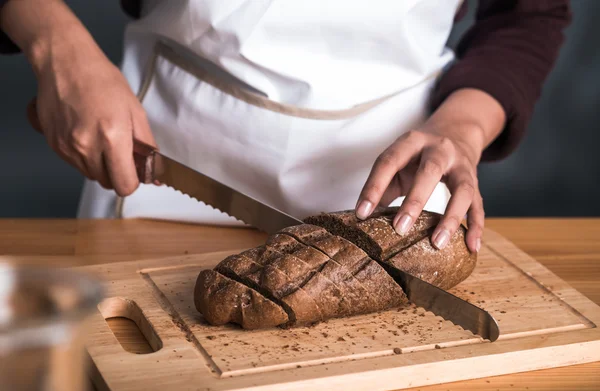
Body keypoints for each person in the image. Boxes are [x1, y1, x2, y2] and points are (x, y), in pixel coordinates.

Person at [0, 0, 571, 254]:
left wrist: (464, 128)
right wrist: (56, 44)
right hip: (165, 157)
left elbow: (528, 15)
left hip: (398, 195)